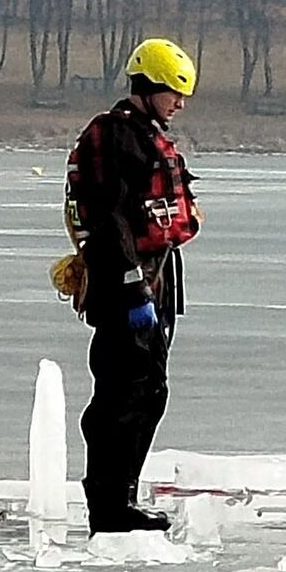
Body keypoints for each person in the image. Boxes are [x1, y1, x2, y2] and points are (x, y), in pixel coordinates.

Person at [64, 38, 202, 535]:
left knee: (151, 393)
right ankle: (108, 505)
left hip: (155, 282)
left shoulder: (148, 136)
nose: (179, 104)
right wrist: (131, 291)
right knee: (122, 397)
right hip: (126, 289)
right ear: (147, 88)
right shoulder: (112, 137)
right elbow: (105, 220)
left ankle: (122, 495)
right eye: (173, 93)